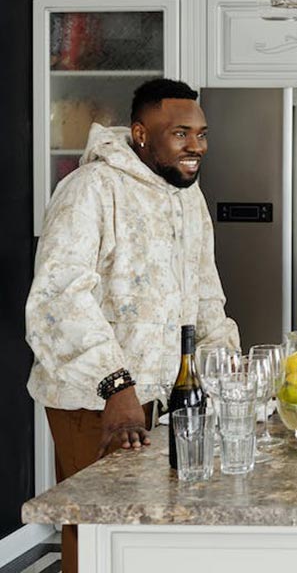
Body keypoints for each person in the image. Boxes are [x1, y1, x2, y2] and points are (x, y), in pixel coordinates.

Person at [25, 78, 240, 573]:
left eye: (202, 134)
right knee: (100, 532)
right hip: (97, 399)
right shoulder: (89, 189)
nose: (197, 148)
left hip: (169, 395)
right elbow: (58, 298)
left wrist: (225, 362)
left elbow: (204, 290)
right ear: (142, 134)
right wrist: (115, 385)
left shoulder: (187, 195)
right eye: (181, 134)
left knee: (156, 537)